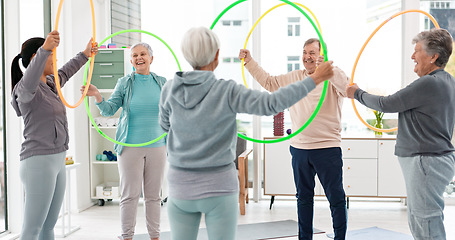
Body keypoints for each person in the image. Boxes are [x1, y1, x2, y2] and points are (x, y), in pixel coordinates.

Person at [159, 27, 334, 240]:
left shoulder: (168, 89)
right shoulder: (226, 90)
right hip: (219, 189)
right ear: (216, 55)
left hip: (180, 186)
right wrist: (314, 79)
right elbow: (271, 103)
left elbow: (165, 127)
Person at [347, 28, 455, 240]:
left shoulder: (429, 83)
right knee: (420, 218)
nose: (412, 56)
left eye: (417, 51)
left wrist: (356, 93)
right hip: (432, 159)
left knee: (426, 220)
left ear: (433, 57)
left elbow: (387, 103)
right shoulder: (447, 81)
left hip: (427, 160)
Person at [239, 38, 349, 240]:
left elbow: (348, 88)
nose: (307, 57)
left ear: (322, 55)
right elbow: (270, 82)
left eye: (312, 53)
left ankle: (340, 237)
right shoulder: (296, 77)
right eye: (305, 52)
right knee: (303, 199)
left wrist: (328, 68)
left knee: (336, 198)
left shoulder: (332, 76)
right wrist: (249, 61)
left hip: (327, 148)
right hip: (300, 149)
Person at [11, 30, 98, 240]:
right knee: (32, 229)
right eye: (52, 54)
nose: (55, 58)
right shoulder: (25, 89)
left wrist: (85, 54)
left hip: (58, 159)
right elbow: (31, 78)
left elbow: (66, 71)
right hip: (38, 162)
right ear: (37, 58)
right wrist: (44, 50)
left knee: (48, 227)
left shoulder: (50, 83)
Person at [82, 42, 167, 240]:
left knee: (154, 196)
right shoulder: (124, 83)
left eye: (143, 54)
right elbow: (110, 109)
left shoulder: (162, 82)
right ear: (131, 61)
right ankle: (126, 236)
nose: (139, 58)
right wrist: (96, 95)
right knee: (130, 196)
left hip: (157, 146)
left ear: (151, 58)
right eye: (135, 55)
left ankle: (155, 236)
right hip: (130, 146)